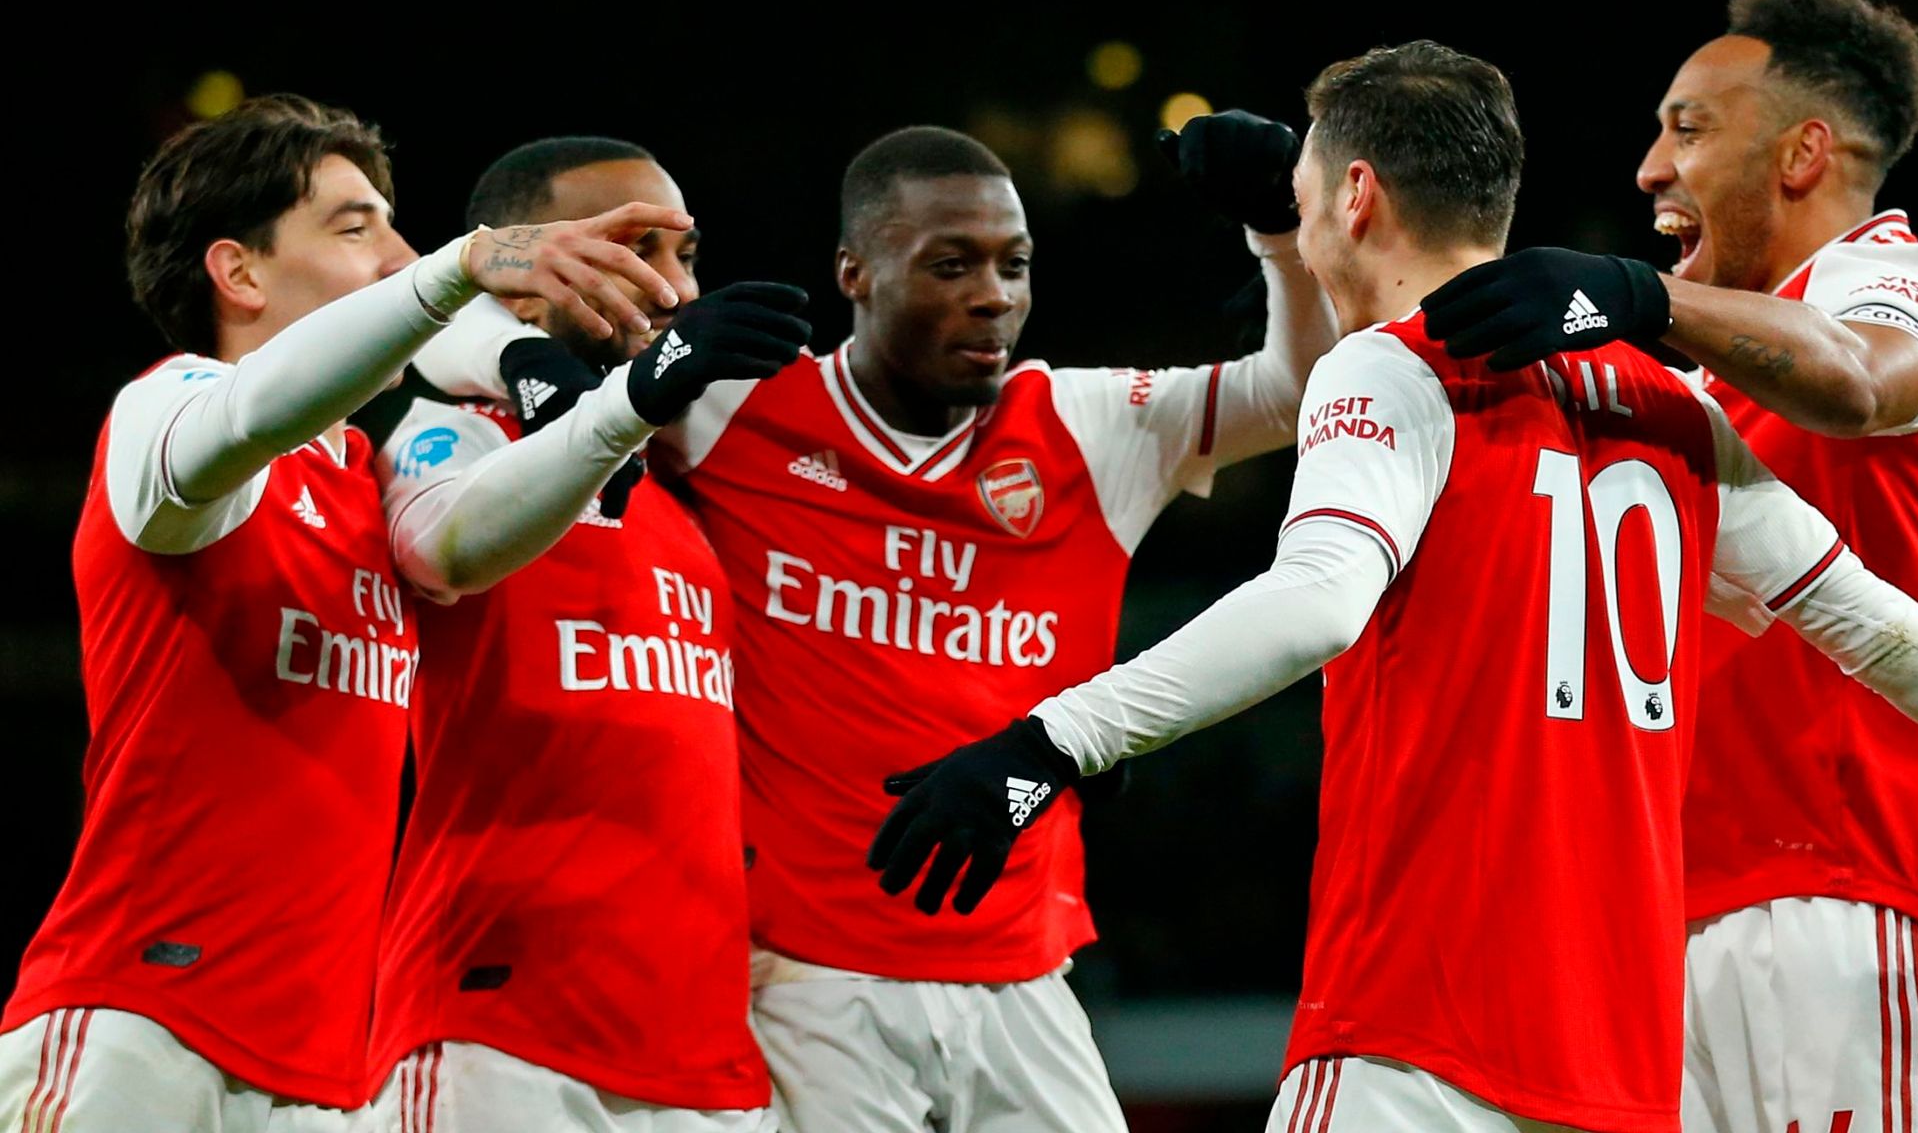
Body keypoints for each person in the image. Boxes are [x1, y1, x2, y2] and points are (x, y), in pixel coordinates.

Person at [867, 41, 1918, 1133]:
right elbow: (1880, 629)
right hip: (1619, 1076)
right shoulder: (1670, 404)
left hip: (1415, 1044)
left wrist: (1049, 743)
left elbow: (1317, 602)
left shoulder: (1387, 368)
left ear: (1355, 198)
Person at [413, 117, 1335, 1132]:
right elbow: (448, 331)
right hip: (803, 984)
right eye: (950, 264)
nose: (993, 294)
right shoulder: (731, 404)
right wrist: (522, 355)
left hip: (1025, 974)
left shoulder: (1089, 424)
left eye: (1013, 264)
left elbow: (1299, 392)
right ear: (854, 273)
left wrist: (1278, 238)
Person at [0, 95, 689, 1131]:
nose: (398, 251)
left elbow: (464, 514)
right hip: (138, 1023)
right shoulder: (167, 408)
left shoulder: (366, 475)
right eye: (355, 223)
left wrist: (582, 390)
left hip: (326, 1063)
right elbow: (254, 410)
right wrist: (458, 272)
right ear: (237, 273)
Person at [1414, 0, 1918, 1127]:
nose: (1648, 166)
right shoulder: (1687, 382)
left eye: (1687, 128)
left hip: (1852, 902)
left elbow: (1852, 374)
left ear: (1801, 154)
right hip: (1666, 928)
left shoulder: (1899, 284)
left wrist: (1635, 297)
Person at [366, 136, 809, 1133]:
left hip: (708, 1061)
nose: (669, 285)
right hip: (501, 1038)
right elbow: (450, 546)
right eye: (628, 248)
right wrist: (598, 390)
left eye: (683, 252)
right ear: (521, 281)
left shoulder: (688, 490)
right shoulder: (450, 435)